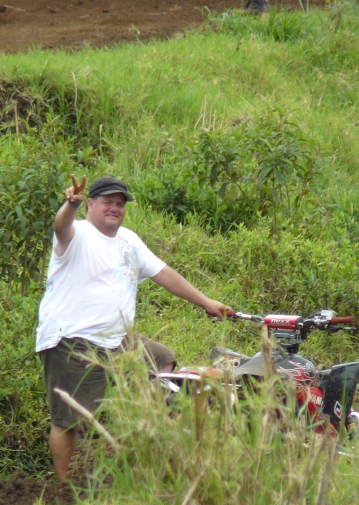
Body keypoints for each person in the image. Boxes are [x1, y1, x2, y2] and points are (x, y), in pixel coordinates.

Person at [36, 174, 234, 482]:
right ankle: (63, 487)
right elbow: (61, 226)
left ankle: (140, 439)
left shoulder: (129, 240)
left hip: (117, 340)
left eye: (120, 204)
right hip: (71, 339)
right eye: (107, 202)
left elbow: (164, 273)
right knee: (68, 420)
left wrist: (205, 301)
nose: (115, 208)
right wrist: (69, 204)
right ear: (90, 204)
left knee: (161, 360)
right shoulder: (78, 234)